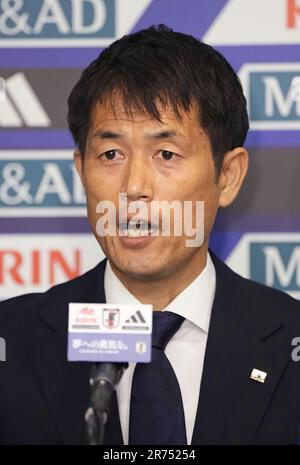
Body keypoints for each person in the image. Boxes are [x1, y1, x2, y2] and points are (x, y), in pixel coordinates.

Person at [0, 24, 300, 446]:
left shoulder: (290, 342)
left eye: (166, 154)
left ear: (228, 176)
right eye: (110, 154)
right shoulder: (11, 343)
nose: (133, 187)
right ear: (81, 171)